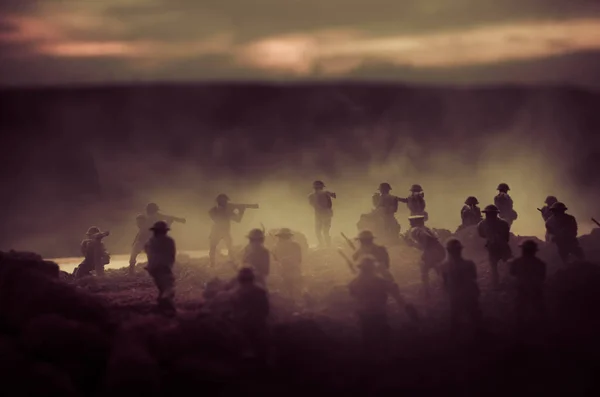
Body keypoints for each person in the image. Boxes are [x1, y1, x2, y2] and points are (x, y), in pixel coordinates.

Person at [348, 256, 405, 354]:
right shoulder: (380, 281)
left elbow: (353, 298)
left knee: (367, 338)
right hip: (379, 313)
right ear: (373, 268)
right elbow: (395, 293)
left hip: (364, 314)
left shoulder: (354, 282)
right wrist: (402, 305)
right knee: (383, 338)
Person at [129, 203, 186, 274]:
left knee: (141, 255)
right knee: (145, 255)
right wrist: (179, 220)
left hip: (147, 241)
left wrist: (178, 220)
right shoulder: (149, 219)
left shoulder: (154, 217)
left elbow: (142, 232)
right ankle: (134, 270)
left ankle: (133, 270)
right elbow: (141, 233)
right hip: (146, 241)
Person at [439, 239, 483, 331]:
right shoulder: (469, 264)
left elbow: (445, 283)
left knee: (455, 318)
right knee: (474, 317)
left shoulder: (444, 266)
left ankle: (455, 339)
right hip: (469, 293)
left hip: (456, 295)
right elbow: (474, 277)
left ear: (448, 251)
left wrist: (447, 293)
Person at [230, 267, 270, 359]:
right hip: (257, 328)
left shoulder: (235, 294)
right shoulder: (260, 292)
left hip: (243, 329)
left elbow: (233, 312)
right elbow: (266, 310)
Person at [509, 240, 547, 331]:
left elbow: (512, 273)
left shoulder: (516, 262)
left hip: (521, 290)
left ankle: (519, 329)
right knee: (539, 310)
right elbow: (542, 277)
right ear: (534, 251)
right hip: (536, 290)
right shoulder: (540, 264)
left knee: (519, 311)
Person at [407, 215, 445, 297]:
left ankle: (426, 291)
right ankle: (444, 286)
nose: (410, 224)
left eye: (412, 222)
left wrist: (412, 244)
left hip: (430, 252)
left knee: (424, 270)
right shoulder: (427, 229)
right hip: (438, 251)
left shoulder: (416, 230)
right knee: (437, 268)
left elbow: (424, 245)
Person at [144, 221, 177, 314]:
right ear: (165, 231)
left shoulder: (150, 241)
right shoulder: (169, 241)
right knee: (169, 288)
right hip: (164, 267)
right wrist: (170, 265)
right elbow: (172, 255)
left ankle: (162, 307)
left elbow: (148, 253)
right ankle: (165, 304)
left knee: (162, 287)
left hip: (153, 268)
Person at [477, 204, 512, 289]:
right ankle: (502, 284)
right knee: (499, 266)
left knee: (498, 266)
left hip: (496, 247)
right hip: (497, 247)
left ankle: (500, 284)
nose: (490, 216)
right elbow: (507, 237)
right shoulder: (503, 223)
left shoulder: (482, 224)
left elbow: (481, 234)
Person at [208, 194, 245, 267]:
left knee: (230, 248)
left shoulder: (227, 211)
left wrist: (241, 211)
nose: (226, 203)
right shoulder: (213, 211)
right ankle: (212, 263)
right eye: (224, 201)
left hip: (224, 232)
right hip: (217, 232)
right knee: (213, 248)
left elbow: (238, 220)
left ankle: (232, 262)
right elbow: (216, 219)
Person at [272, 228, 303, 301]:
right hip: (295, 273)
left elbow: (275, 259)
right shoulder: (296, 245)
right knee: (296, 294)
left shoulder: (275, 247)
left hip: (282, 273)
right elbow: (299, 260)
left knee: (285, 294)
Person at [308, 180, 336, 247]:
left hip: (323, 214)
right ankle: (324, 244)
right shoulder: (312, 196)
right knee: (322, 231)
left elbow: (332, 197)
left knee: (322, 231)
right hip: (322, 214)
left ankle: (326, 244)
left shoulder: (312, 195)